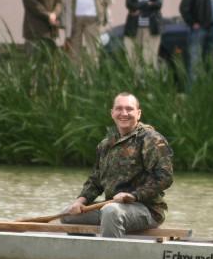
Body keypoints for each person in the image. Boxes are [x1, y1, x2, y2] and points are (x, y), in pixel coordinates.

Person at [61, 92, 174, 238]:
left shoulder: (151, 139)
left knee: (111, 212)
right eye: (119, 109)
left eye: (129, 109)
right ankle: (89, 251)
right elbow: (95, 181)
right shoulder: (105, 145)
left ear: (138, 113)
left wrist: (133, 196)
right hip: (111, 207)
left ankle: (110, 252)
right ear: (112, 113)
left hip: (146, 209)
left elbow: (165, 177)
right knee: (68, 214)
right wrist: (79, 202)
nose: (124, 113)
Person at [124, 0, 163, 69]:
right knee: (132, 60)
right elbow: (129, 4)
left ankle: (149, 80)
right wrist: (148, 4)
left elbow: (158, 4)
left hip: (151, 27)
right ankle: (135, 80)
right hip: (134, 26)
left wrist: (139, 6)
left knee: (149, 60)